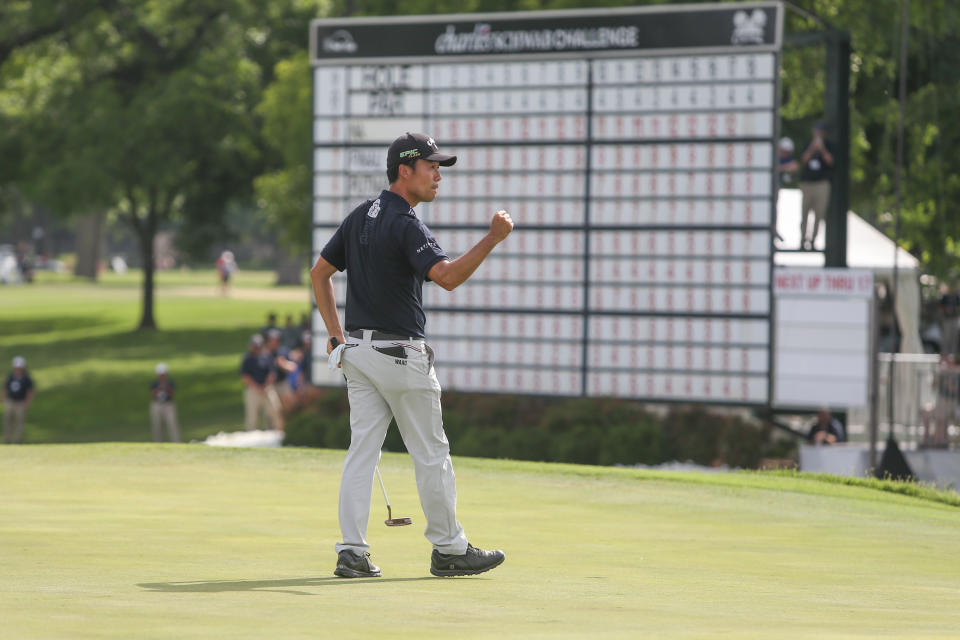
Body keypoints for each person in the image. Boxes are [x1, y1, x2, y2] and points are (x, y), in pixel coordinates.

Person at [310, 132, 512, 579]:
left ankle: (351, 552)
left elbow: (319, 273)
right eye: (431, 166)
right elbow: (447, 276)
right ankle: (450, 549)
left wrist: (335, 335)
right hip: (401, 355)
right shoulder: (405, 223)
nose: (438, 175)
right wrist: (492, 239)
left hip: (358, 353)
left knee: (362, 451)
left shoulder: (361, 215)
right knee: (431, 452)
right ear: (406, 170)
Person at [798, 121, 835, 250]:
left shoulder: (829, 145)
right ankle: (802, 240)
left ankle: (813, 240)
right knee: (804, 213)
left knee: (819, 214)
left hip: (822, 183)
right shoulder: (808, 144)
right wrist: (812, 148)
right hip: (807, 183)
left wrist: (822, 149)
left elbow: (831, 161)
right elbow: (803, 160)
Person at [239, 334, 281, 431]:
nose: (257, 348)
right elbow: (245, 377)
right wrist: (257, 388)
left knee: (275, 411)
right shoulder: (247, 359)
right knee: (252, 415)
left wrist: (266, 386)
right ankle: (251, 434)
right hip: (253, 390)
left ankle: (276, 432)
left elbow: (272, 373)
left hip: (267, 388)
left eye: (258, 345)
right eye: (255, 345)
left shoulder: (267, 356)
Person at [4, 356, 34, 444]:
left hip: (21, 402)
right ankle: (7, 439)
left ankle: (18, 440)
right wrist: (3, 399)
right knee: (8, 420)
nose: (18, 369)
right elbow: (5, 388)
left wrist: (27, 402)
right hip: (10, 401)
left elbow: (30, 391)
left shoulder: (26, 378)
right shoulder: (10, 377)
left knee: (19, 421)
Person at [149, 363, 181, 443]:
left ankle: (176, 442)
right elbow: (152, 394)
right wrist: (159, 388)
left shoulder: (170, 383)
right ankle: (158, 442)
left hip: (168, 405)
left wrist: (166, 387)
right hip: (157, 405)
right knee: (157, 425)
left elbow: (172, 393)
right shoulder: (155, 383)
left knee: (172, 424)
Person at [939, 281, 960, 358]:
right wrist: (946, 310)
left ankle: (953, 354)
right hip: (947, 319)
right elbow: (941, 307)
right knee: (946, 337)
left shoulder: (957, 297)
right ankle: (944, 354)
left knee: (954, 337)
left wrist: (954, 310)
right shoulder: (945, 297)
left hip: (954, 319)